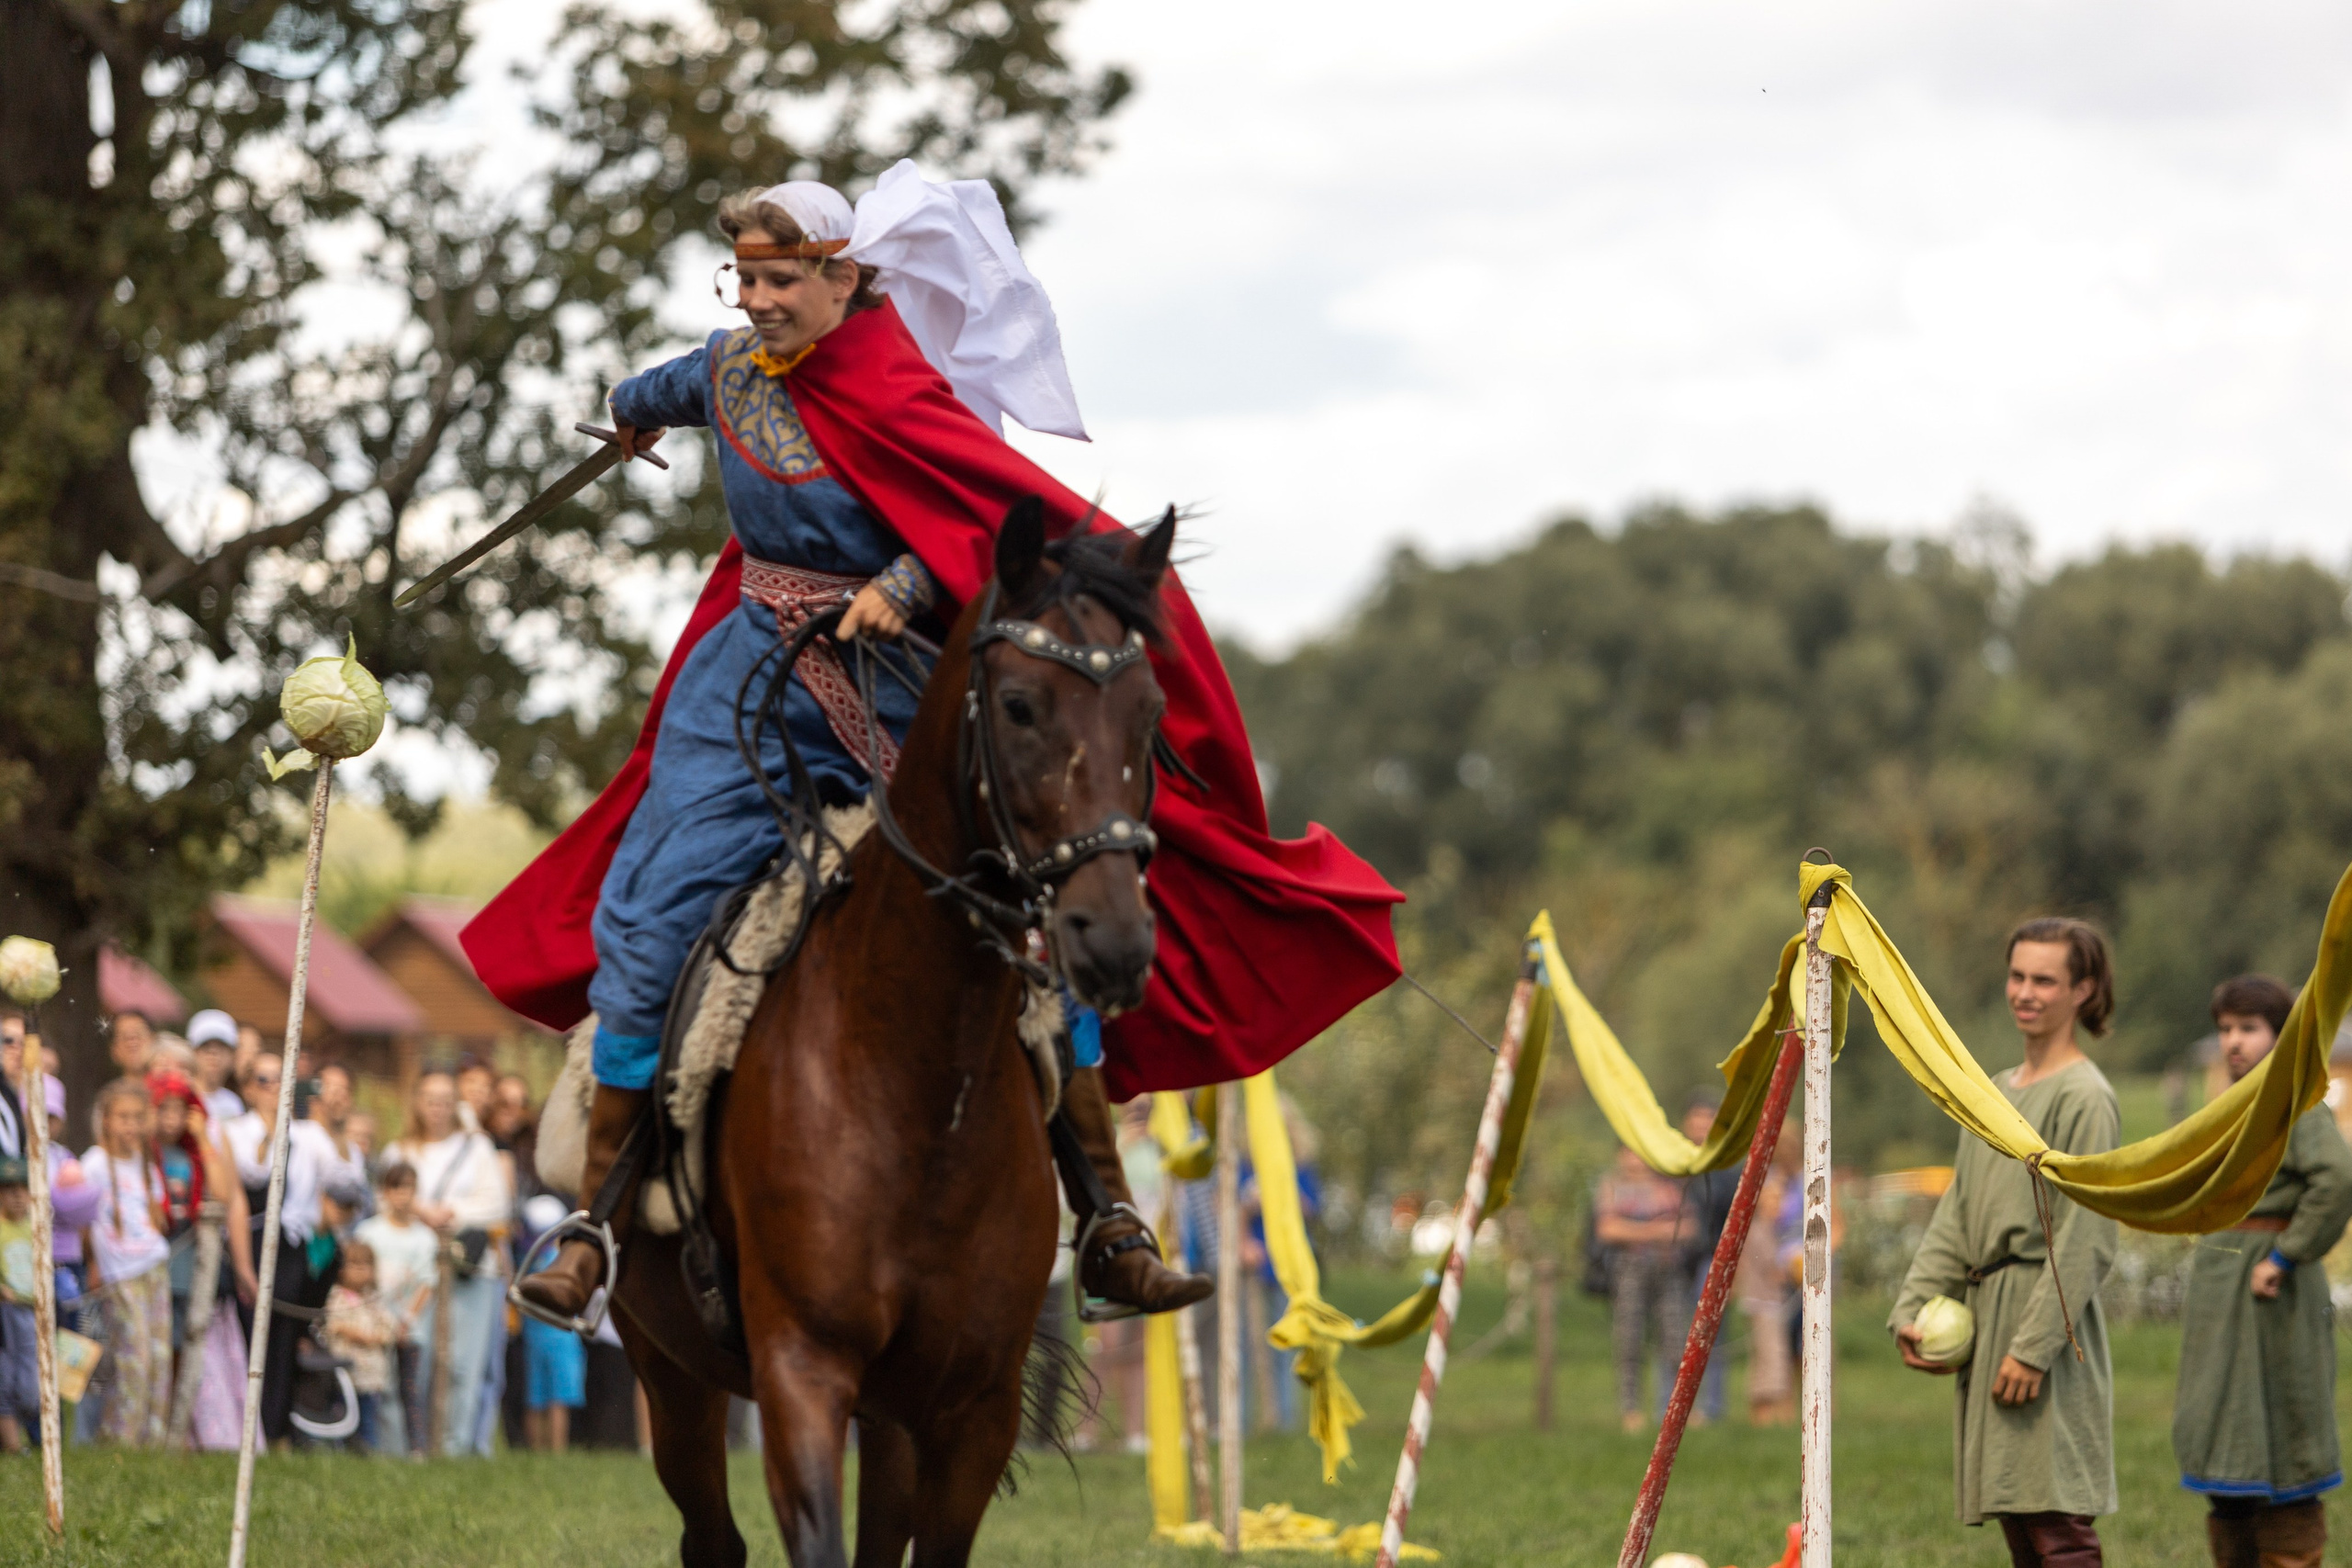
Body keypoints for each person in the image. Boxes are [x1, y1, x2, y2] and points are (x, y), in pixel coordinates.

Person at [481, 166, 1401, 1330]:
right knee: (652, 903)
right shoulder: (727, 368)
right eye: (742, 281)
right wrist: (629, 411)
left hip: (892, 675)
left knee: (1023, 904)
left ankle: (1107, 1219)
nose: (757, 302)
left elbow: (975, 521)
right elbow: (662, 384)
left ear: (842, 277)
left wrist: (909, 583)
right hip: (747, 679)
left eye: (779, 281)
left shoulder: (900, 379)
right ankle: (593, 1227)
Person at [1892, 917, 2121, 1568]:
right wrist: (1911, 1308)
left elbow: (2087, 1235)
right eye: (2017, 976)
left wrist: (2033, 1347)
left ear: (2082, 990)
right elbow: (1957, 1215)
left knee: (2056, 1518)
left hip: (2045, 1322)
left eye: (2044, 980)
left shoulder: (2086, 1097)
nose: (2024, 992)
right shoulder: (1992, 1092)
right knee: (2020, 1514)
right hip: (1989, 1313)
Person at [2174, 974, 2352, 1568]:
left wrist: (2285, 1255)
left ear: (2279, 1035)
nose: (2233, 1041)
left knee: (2284, 1431)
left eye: (2249, 1027)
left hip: (2274, 1290)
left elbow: (2336, 1181)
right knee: (2225, 1433)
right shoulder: (2228, 1107)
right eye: (2225, 1028)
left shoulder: (2294, 1102)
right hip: (2221, 1288)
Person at [221, 1053, 337, 1449]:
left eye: (281, 1079)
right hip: (249, 1241)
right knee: (247, 1333)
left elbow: (340, 1176)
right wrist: (273, 1132)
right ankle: (245, 1428)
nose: (274, 1088)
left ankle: (276, 1429)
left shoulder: (308, 1135)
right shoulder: (235, 1131)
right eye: (264, 1079)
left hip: (291, 1245)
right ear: (248, 1088)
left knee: (284, 1337)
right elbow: (247, 1180)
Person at [394, 1070, 512, 1456]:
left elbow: (497, 1204)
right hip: (417, 1269)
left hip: (469, 1268)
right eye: (431, 1100)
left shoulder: (476, 1148)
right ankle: (416, 1445)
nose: (438, 1109)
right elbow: (384, 1198)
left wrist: (450, 1212)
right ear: (418, 1103)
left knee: (465, 1364)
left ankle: (456, 1448)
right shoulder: (401, 1151)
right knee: (420, 1358)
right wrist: (420, 1211)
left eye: (446, 1101)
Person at [85, 1077, 174, 1446]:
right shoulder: (93, 1164)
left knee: (159, 1356)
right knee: (133, 1357)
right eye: (123, 1117)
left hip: (153, 1266)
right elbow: (84, 1223)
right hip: (119, 1273)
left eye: (138, 1117)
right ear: (106, 1119)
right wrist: (92, 1264)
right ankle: (120, 1439)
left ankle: (151, 1441)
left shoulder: (146, 1164)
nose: (131, 1125)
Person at [1595, 1143, 1689, 1434]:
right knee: (1629, 1341)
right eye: (1630, 1153)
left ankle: (1678, 1411)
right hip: (1628, 1272)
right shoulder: (1612, 1186)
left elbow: (1688, 1228)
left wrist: (1634, 1230)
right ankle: (1631, 1411)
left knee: (1675, 1342)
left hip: (1669, 1272)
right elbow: (1607, 1229)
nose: (1636, 1160)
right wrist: (1656, 1230)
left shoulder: (1670, 1186)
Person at [354, 1162, 437, 1457]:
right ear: (385, 1192)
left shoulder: (424, 1237)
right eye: (397, 1188)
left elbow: (427, 1282)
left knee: (411, 1390)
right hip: (374, 1326)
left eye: (409, 1188)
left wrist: (407, 1319)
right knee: (378, 1388)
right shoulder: (368, 1232)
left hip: (410, 1328)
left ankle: (415, 1451)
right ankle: (379, 1448)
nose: (403, 1195)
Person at [1674, 1093, 1738, 1426]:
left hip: (1711, 1261)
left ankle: (1710, 1408)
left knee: (1710, 1335)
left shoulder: (1728, 1165)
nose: (1700, 1124)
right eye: (1696, 1117)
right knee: (1673, 1334)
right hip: (1675, 1261)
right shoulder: (1672, 1162)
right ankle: (1670, 1407)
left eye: (1707, 1118)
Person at [323, 1239, 400, 1454]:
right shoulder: (336, 1297)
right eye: (354, 1265)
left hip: (371, 1376)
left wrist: (376, 1337)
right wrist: (358, 1335)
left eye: (365, 1265)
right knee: (343, 1414)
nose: (360, 1271)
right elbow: (333, 1325)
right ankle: (340, 1451)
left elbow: (389, 1327)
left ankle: (369, 1452)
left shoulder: (374, 1299)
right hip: (346, 1373)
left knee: (368, 1418)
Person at [0, 1156, 39, 1453]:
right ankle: (13, 1445)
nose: (16, 1196)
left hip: (33, 1312)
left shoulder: (36, 1228)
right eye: (8, 1188)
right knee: (5, 1378)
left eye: (22, 1188)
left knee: (31, 1387)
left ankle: (21, 1438)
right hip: (5, 1313)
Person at [187, 1010, 246, 1127]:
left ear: (232, 1055)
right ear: (193, 1053)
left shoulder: (233, 1103)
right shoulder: (182, 1096)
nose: (213, 1054)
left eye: (221, 1047)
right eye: (205, 1047)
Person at [107, 1010, 157, 1082]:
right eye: (125, 1036)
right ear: (114, 1051)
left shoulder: (171, 1086)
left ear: (154, 1040)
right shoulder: (110, 1089)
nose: (132, 1042)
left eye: (138, 1033)